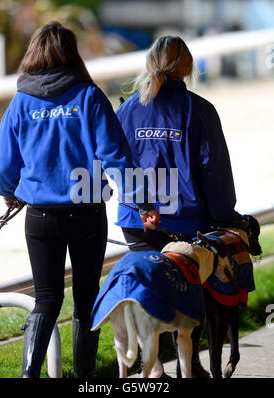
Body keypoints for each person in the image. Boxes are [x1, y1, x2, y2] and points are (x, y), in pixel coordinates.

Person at [0, 21, 159, 378]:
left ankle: (28, 375)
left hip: (39, 218)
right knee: (86, 297)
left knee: (46, 300)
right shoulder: (89, 97)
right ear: (72, 53)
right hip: (85, 215)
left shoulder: (21, 102)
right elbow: (116, 158)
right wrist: (143, 202)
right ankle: (85, 380)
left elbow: (3, 166)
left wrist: (9, 193)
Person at [115, 35, 243, 378]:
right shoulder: (199, 110)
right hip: (188, 223)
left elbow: (113, 165)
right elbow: (213, 171)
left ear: (150, 64)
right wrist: (225, 216)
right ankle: (193, 364)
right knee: (191, 292)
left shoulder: (126, 110)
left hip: (137, 222)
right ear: (187, 68)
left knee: (148, 289)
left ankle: (153, 365)